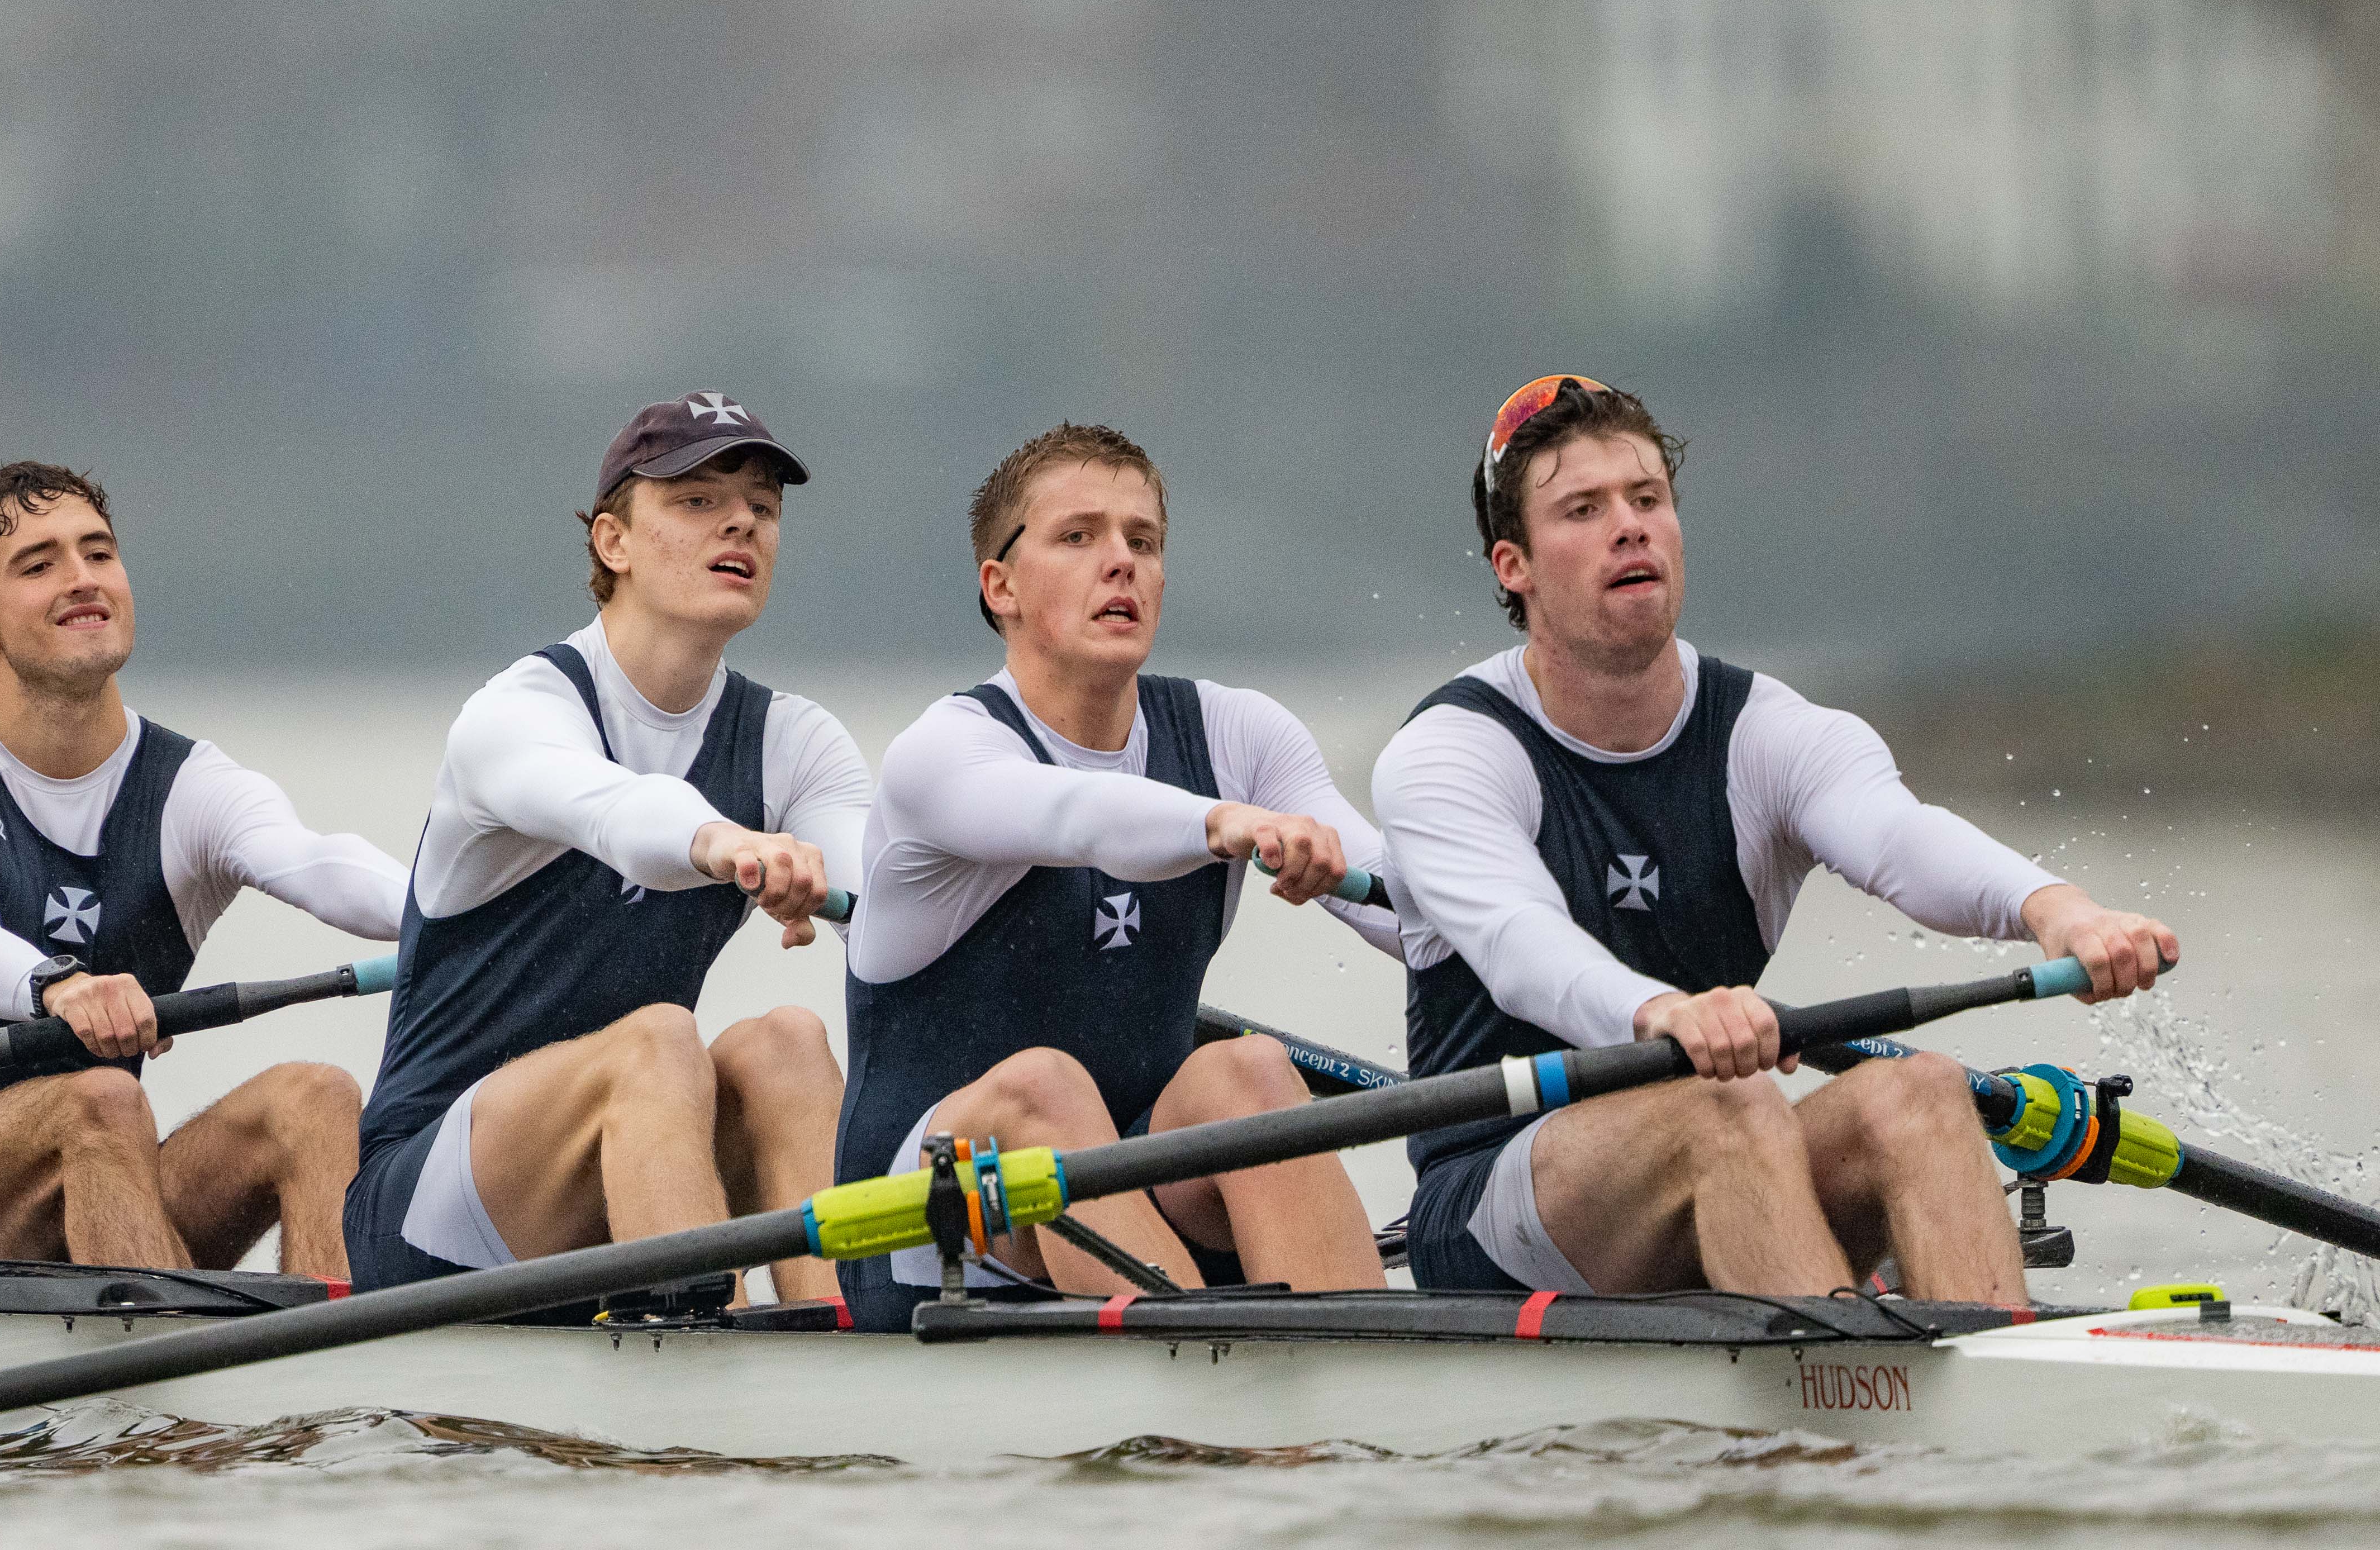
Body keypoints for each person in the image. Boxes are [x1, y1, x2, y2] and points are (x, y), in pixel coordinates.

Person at [1370, 374, 2180, 1304]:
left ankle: (1990, 1367)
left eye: (1647, 499)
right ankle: (1851, 1387)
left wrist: (2059, 911)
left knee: (1921, 1091)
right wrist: (1662, 1012)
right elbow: (1521, 946)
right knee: (1726, 1107)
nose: (1629, 528)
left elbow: (1899, 838)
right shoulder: (1451, 753)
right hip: (1494, 1207)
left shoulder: (1766, 732)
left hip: (1714, 1149)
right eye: (1583, 510)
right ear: (1513, 565)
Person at [832, 422, 1405, 1330]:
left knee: (1250, 1074)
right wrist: (1220, 822)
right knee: (1046, 1089)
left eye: (1143, 541)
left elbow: (1411, 909)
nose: (1121, 563)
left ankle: (1361, 1379)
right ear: (1001, 587)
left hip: (1129, 1186)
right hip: (917, 1230)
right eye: (1078, 536)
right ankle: (1206, 1370)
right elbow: (1078, 815)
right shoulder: (942, 755)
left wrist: (1606, 985)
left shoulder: (1237, 734)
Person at [344, 393, 870, 1305]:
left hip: (624, 1168)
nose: (743, 522)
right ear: (612, 541)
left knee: (788, 1041)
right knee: (657, 1042)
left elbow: (893, 910)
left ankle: (844, 1338)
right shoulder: (519, 712)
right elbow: (618, 817)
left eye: (763, 506)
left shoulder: (796, 742)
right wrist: (728, 845)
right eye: (698, 500)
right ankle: (698, 1353)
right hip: (427, 1211)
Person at [0, 462, 408, 1276]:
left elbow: (318, 862)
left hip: (112, 1181)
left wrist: (465, 911)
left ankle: (333, 1351)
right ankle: (182, 1357)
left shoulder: (189, 786)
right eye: (39, 566)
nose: (82, 578)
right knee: (104, 1100)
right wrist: (59, 986)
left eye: (99, 553)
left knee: (316, 1098)